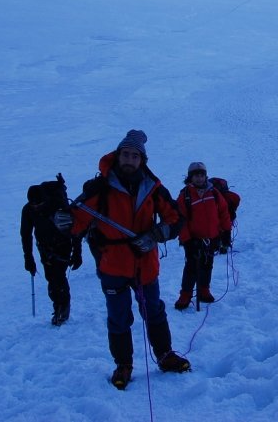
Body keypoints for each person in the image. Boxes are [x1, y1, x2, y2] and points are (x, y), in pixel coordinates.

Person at [70, 130, 190, 390]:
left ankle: (164, 354)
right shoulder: (100, 187)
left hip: (145, 262)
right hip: (112, 262)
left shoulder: (153, 187)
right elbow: (77, 220)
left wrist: (157, 234)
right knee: (119, 316)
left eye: (135, 155)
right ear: (118, 155)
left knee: (154, 310)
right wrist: (64, 222)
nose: (129, 159)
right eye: (125, 154)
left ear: (142, 160)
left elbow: (176, 218)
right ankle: (123, 364)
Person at [21, 176, 82, 326]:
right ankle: (58, 307)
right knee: (51, 277)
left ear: (45, 199)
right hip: (44, 247)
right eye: (33, 204)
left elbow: (74, 229)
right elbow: (25, 234)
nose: (36, 207)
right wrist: (28, 258)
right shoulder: (28, 210)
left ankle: (63, 309)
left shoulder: (58, 204)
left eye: (39, 204)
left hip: (63, 244)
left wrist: (77, 252)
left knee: (59, 276)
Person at [174, 162, 231, 310]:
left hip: (212, 237)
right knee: (191, 267)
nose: (199, 178)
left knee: (207, 264)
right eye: (196, 175)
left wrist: (226, 232)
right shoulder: (185, 196)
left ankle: (204, 289)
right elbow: (181, 220)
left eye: (202, 175)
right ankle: (185, 294)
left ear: (206, 176)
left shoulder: (214, 193)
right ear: (190, 177)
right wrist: (187, 240)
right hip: (193, 240)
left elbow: (224, 213)